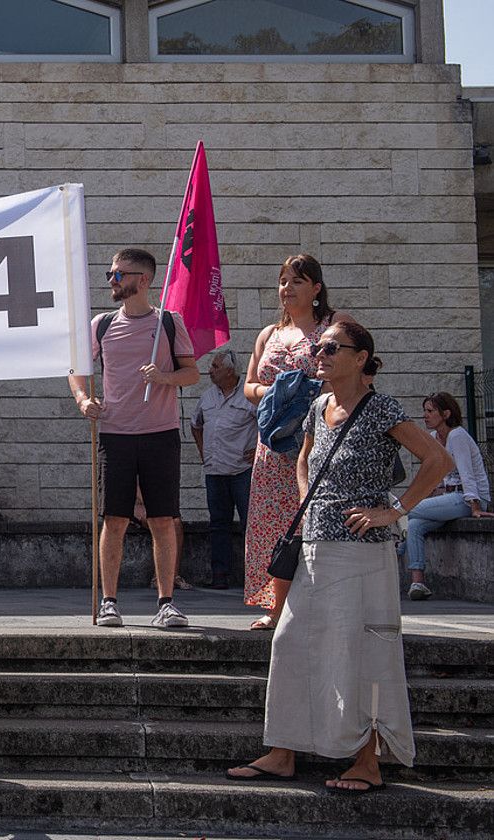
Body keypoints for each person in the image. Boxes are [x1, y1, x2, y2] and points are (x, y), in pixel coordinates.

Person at [226, 321, 450, 793]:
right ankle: (283, 751)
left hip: (362, 554)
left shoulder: (381, 407)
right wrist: (309, 504)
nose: (321, 353)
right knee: (289, 644)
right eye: (320, 346)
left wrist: (394, 511)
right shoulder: (317, 405)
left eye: (332, 347)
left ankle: (367, 760)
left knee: (363, 652)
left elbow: (437, 460)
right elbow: (304, 458)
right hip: (314, 548)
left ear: (361, 358)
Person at [67, 248, 199, 629]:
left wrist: (164, 377)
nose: (112, 280)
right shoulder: (102, 324)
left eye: (119, 274)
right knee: (115, 519)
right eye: (110, 273)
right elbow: (77, 368)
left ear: (144, 280)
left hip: (160, 433)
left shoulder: (170, 323)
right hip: (115, 433)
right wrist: (83, 399)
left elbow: (191, 373)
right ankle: (109, 601)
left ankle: (166, 601)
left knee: (162, 519)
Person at [242, 255, 351, 631]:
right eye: (283, 281)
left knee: (317, 522)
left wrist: (309, 389)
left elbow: (357, 369)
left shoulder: (334, 326)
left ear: (316, 288)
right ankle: (277, 608)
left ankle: (325, 606)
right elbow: (248, 386)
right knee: (275, 528)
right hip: (273, 448)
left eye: (297, 282)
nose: (287, 289)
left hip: (317, 439)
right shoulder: (269, 333)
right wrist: (277, 391)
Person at [401, 392, 493, 600]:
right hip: (448, 499)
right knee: (414, 524)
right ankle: (418, 582)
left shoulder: (457, 436)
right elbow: (434, 477)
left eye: (430, 411)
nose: (425, 416)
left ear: (446, 413)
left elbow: (466, 472)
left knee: (408, 508)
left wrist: (476, 507)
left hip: (467, 499)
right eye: (425, 411)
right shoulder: (433, 439)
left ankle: (398, 548)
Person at [190, 348, 257, 589]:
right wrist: (202, 452)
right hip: (215, 471)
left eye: (215, 367)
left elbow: (266, 423)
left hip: (243, 471)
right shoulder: (207, 397)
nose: (210, 371)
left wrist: (259, 449)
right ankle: (220, 575)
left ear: (230, 371)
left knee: (251, 523)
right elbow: (195, 424)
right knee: (218, 524)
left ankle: (255, 577)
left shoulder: (248, 395)